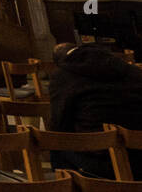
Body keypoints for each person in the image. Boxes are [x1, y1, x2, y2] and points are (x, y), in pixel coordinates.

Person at [48, 43, 142, 177]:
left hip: (99, 163)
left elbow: (60, 125)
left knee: (56, 142)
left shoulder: (62, 76)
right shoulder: (131, 70)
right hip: (138, 153)